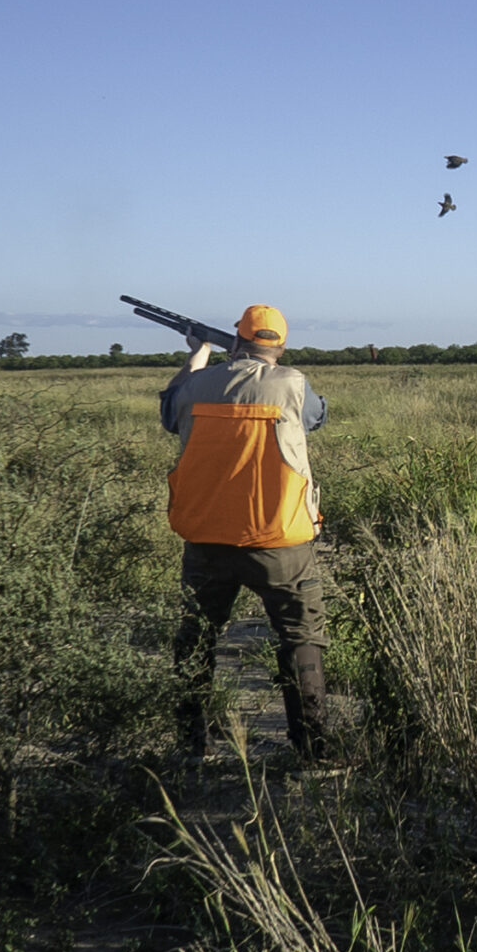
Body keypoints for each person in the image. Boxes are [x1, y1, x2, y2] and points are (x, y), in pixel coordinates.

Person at [159, 305, 334, 761]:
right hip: (280, 538)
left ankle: (193, 744)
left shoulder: (197, 384)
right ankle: (313, 750)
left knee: (197, 634)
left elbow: (169, 411)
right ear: (281, 346)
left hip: (206, 536)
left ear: (236, 340)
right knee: (300, 636)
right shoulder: (293, 383)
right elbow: (316, 417)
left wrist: (198, 354)